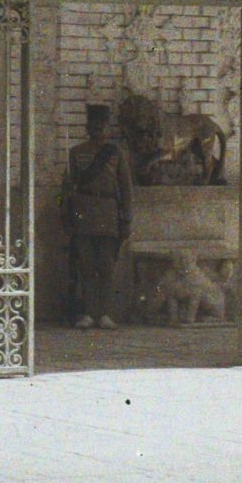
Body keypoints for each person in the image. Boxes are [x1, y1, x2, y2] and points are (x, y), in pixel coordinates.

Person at [61, 102, 134, 330]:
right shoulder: (76, 153)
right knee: (85, 266)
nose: (97, 130)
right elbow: (66, 187)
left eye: (101, 126)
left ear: (106, 127)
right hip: (83, 214)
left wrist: (127, 218)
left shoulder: (115, 154)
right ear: (87, 127)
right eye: (93, 125)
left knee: (106, 267)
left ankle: (104, 313)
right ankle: (88, 313)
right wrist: (65, 215)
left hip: (109, 214)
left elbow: (126, 188)